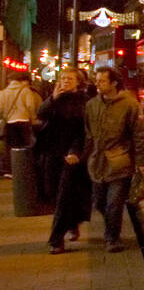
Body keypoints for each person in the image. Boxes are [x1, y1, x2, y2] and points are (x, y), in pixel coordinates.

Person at [81, 67, 144, 253]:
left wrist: (142, 162)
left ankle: (112, 238)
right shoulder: (92, 105)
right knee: (100, 203)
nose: (97, 84)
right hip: (97, 163)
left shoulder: (129, 104)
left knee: (114, 203)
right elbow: (88, 134)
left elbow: (140, 135)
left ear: (114, 83)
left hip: (120, 162)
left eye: (102, 81)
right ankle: (111, 230)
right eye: (97, 81)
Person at [36, 70, 92, 253]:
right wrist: (53, 97)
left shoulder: (84, 101)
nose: (65, 82)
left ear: (78, 83)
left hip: (71, 155)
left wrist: (76, 152)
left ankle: (56, 240)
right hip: (52, 154)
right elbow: (41, 114)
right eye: (62, 79)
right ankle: (72, 223)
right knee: (53, 193)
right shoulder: (54, 99)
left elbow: (83, 130)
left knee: (63, 195)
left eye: (69, 79)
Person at [0, 71, 43, 177]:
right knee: (24, 145)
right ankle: (23, 168)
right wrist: (32, 117)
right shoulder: (25, 91)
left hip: (10, 122)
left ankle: (10, 170)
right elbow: (30, 106)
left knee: (10, 147)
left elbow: (1, 108)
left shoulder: (4, 92)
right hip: (23, 121)